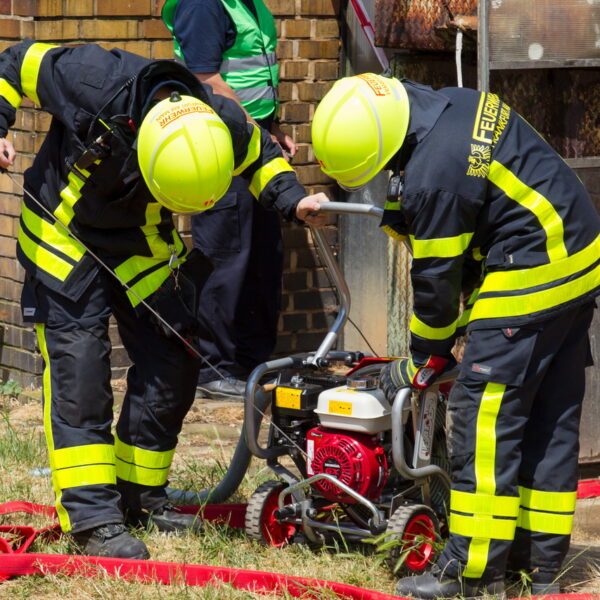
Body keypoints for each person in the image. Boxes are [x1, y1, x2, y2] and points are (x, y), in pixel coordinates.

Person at [0, 38, 327, 560]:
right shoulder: (88, 77)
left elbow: (261, 155)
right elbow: (13, 63)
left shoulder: (217, 120)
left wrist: (294, 199)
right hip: (64, 237)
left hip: (142, 242)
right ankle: (93, 520)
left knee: (174, 357)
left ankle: (139, 498)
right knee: (81, 371)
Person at [311, 73, 600, 598]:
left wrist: (425, 360)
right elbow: (463, 206)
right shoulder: (451, 103)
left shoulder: (434, 177)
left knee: (481, 421)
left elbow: (437, 289)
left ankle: (472, 571)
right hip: (579, 258)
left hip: (530, 275)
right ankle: (539, 567)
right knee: (548, 421)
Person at [162, 0, 295, 400]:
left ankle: (253, 364)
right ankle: (213, 369)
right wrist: (258, 134)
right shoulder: (203, 5)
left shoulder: (249, 5)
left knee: (262, 256)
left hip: (252, 139)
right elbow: (205, 78)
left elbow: (257, 78)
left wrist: (275, 129)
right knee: (225, 254)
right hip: (222, 142)